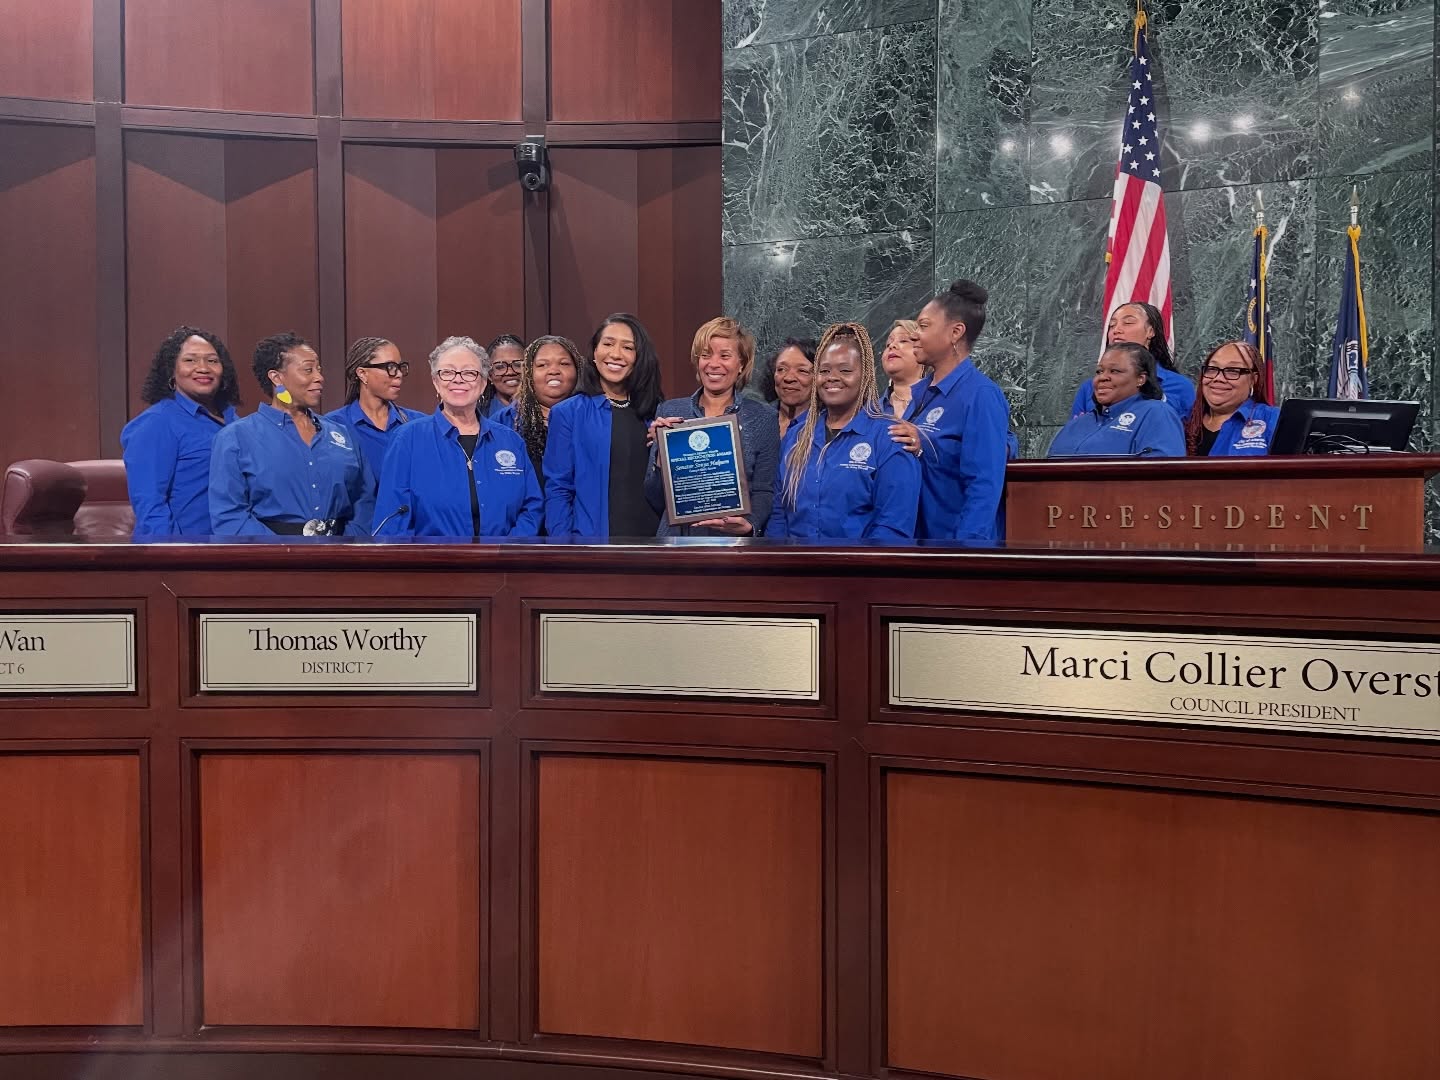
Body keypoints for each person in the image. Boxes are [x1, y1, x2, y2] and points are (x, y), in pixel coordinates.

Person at [374, 336, 541, 537]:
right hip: (430, 564)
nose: (458, 378)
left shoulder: (510, 440)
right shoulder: (407, 439)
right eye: (447, 372)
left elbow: (532, 508)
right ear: (435, 382)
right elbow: (392, 519)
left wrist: (506, 552)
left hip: (503, 562)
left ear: (483, 382)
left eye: (469, 373)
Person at [209, 332, 374, 536]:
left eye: (319, 369)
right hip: (272, 562)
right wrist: (281, 553)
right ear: (277, 377)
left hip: (340, 559)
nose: (319, 378)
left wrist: (348, 546)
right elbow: (230, 516)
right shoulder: (235, 438)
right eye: (308, 370)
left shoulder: (341, 433)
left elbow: (364, 500)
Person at [767, 322, 919, 540]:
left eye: (845, 370)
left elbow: (893, 527)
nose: (832, 377)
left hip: (859, 570)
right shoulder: (796, 437)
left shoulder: (890, 437)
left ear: (865, 374)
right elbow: (779, 515)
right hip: (794, 569)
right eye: (824, 370)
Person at [888, 280, 1011, 543]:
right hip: (916, 541)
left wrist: (966, 552)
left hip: (952, 546)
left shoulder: (980, 394)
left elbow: (984, 485)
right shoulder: (922, 394)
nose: (914, 335)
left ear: (955, 332)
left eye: (923, 326)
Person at [645, 317, 779, 537]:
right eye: (705, 355)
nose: (713, 364)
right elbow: (654, 497)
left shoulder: (763, 418)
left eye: (724, 356)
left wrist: (749, 526)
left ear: (742, 364)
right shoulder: (669, 412)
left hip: (732, 547)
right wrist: (661, 456)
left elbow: (765, 490)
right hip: (676, 544)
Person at [543, 313, 664, 537]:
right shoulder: (568, 413)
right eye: (608, 344)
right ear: (595, 353)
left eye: (628, 347)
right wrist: (563, 547)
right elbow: (558, 489)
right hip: (592, 548)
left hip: (652, 544)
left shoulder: (657, 412)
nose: (615, 354)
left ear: (639, 357)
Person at [122, 326, 242, 537]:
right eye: (190, 360)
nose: (203, 368)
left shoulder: (234, 421)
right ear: (172, 371)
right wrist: (177, 556)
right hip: (183, 556)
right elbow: (150, 507)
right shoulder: (156, 423)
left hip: (235, 547)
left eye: (212, 361)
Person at [1048, 341, 1186, 457]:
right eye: (1099, 371)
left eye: (1115, 371)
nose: (1102, 377)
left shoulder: (1157, 413)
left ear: (1140, 379)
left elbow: (1163, 476)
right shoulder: (1077, 423)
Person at [323, 337, 425, 486]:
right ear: (362, 374)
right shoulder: (333, 426)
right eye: (390, 367)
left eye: (400, 367)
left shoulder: (418, 424)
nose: (399, 374)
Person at [1070, 302, 1194, 420]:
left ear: (1150, 331)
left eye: (1128, 323)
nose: (1116, 330)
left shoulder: (1179, 386)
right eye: (1112, 325)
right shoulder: (1090, 387)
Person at [494, 334, 583, 479]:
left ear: (577, 370)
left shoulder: (592, 417)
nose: (554, 371)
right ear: (528, 373)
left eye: (564, 364)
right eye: (542, 365)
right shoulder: (504, 421)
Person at [1184, 340, 1280, 456]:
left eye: (1233, 371)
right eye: (1212, 369)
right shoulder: (1182, 420)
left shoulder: (1273, 419)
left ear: (1254, 380)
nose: (1218, 378)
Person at [766, 338, 816, 438]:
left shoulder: (827, 427)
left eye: (802, 371)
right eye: (782, 369)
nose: (789, 378)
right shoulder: (753, 420)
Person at [880, 319, 925, 419]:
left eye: (903, 340)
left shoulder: (944, 402)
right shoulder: (870, 412)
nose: (892, 345)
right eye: (888, 344)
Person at [479, 333, 524, 418]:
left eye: (518, 364)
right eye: (500, 367)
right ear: (489, 374)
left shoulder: (545, 412)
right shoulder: (478, 415)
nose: (510, 372)